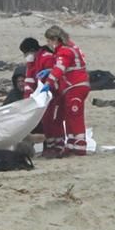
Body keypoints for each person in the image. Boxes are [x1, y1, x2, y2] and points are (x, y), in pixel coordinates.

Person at [41, 26, 91, 157]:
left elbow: (59, 69)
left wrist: (48, 83)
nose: (49, 44)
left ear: (55, 39)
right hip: (74, 86)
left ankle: (80, 145)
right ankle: (72, 143)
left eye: (49, 41)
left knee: (75, 115)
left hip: (75, 86)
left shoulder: (65, 51)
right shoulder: (70, 47)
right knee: (69, 115)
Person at [20, 37, 59, 151]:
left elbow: (52, 75)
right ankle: (48, 146)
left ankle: (52, 146)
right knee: (44, 121)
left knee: (50, 120)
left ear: (32, 50)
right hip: (40, 95)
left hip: (51, 94)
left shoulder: (46, 57)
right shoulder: (33, 61)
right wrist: (27, 99)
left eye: (26, 53)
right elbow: (29, 80)